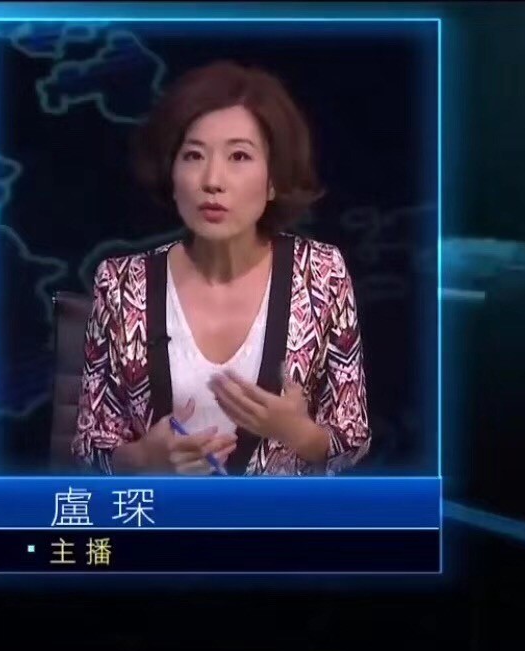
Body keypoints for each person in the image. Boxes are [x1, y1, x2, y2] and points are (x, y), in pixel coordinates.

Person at [72, 61, 370, 476]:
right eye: (193, 155)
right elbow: (91, 445)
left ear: (273, 180)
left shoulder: (321, 272)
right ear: (172, 175)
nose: (212, 180)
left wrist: (297, 433)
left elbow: (352, 439)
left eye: (239, 156)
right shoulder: (122, 284)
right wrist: (144, 459)